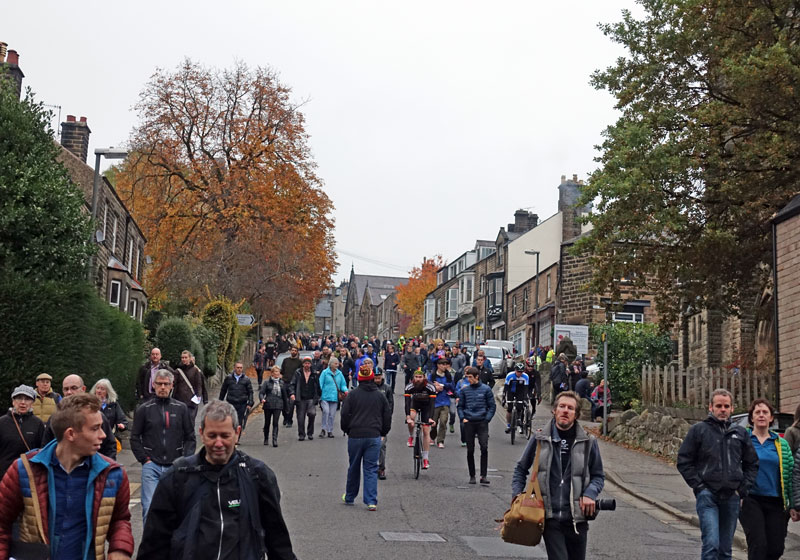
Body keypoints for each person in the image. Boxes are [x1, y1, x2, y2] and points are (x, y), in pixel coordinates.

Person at [137, 400, 297, 559]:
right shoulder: (178, 477)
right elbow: (155, 544)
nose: (218, 443)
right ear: (202, 433)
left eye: (225, 436)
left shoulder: (257, 475)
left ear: (237, 433)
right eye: (212, 435)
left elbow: (277, 540)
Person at [0, 393, 134, 560]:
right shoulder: (25, 470)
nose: (104, 435)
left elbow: (120, 520)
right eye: (95, 428)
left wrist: (120, 548)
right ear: (70, 434)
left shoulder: (112, 474)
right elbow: (2, 523)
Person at [512, 391, 605, 560]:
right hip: (550, 518)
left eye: (570, 408)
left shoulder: (588, 442)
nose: (565, 411)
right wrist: (517, 497)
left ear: (576, 415)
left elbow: (598, 476)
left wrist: (590, 494)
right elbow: (520, 469)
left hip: (578, 521)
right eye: (562, 406)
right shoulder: (540, 438)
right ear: (554, 410)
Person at [677, 389, 759, 560]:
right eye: (719, 406)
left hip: (732, 497)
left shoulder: (741, 433)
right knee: (711, 545)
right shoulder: (699, 430)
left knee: (725, 550)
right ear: (711, 407)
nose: (723, 409)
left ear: (732, 409)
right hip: (708, 496)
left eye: (726, 406)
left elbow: (752, 463)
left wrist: (742, 489)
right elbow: (684, 460)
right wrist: (699, 486)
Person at [130, 369, 196, 522]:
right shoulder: (144, 409)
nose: (163, 387)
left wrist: (185, 460)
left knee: (176, 509)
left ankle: (173, 543)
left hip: (175, 466)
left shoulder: (181, 409)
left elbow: (190, 437)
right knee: (149, 508)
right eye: (159, 384)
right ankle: (150, 545)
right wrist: (145, 459)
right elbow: (134, 437)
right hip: (151, 466)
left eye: (166, 384)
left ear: (172, 385)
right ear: (154, 385)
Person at [738, 398, 793, 560]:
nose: (761, 415)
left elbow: (789, 473)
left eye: (765, 412)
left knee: (776, 548)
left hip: (776, 501)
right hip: (750, 499)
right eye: (757, 412)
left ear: (771, 418)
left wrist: (793, 504)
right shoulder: (743, 441)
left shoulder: (781, 444)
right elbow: (733, 468)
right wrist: (737, 492)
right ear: (751, 418)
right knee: (758, 544)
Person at [341, 363, 392, 511]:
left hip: (355, 434)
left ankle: (350, 496)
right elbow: (386, 415)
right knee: (371, 468)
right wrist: (383, 432)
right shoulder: (380, 396)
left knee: (354, 467)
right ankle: (371, 501)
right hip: (374, 435)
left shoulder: (353, 395)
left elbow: (345, 414)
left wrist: (347, 429)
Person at [42, 374, 118, 459]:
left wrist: (106, 469)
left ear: (83, 389)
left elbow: (110, 446)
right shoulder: (55, 418)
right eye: (66, 389)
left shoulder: (97, 416)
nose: (69, 392)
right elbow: (46, 447)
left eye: (74, 388)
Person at [457, 367, 496, 485]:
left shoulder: (486, 389)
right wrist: (462, 418)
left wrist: (487, 419)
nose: (468, 379)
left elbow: (492, 406)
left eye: (470, 377)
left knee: (484, 447)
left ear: (476, 377)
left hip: (482, 422)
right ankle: (472, 475)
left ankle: (483, 475)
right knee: (470, 450)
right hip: (469, 422)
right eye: (467, 377)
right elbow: (460, 406)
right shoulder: (465, 390)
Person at [0, 385, 44, 477]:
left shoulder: (38, 424)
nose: (23, 402)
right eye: (19, 398)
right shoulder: (2, 422)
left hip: (28, 475)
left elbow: (42, 451)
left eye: (27, 399)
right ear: (13, 401)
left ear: (32, 402)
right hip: (4, 475)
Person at [404, 370, 437, 470]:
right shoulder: (409, 386)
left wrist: (431, 418)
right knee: (412, 418)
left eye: (420, 377)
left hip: (426, 407)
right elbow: (407, 403)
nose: (418, 379)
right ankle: (411, 436)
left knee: (426, 431)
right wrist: (408, 417)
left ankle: (425, 458)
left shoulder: (430, 387)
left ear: (424, 378)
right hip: (415, 404)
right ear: (413, 378)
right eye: (416, 377)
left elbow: (432, 404)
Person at [289, 356, 321, 441]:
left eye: (308, 363)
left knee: (312, 414)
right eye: (305, 363)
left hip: (311, 397)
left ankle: (310, 433)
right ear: (303, 364)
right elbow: (292, 383)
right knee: (300, 417)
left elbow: (317, 386)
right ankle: (301, 434)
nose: (307, 365)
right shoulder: (298, 373)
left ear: (310, 364)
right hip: (301, 398)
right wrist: (292, 393)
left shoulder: (314, 374)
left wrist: (318, 397)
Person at [260, 366, 290, 447]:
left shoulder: (282, 383)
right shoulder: (267, 383)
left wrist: (287, 408)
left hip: (278, 404)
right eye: (275, 372)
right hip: (268, 404)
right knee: (267, 422)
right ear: (272, 373)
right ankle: (266, 438)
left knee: (275, 422)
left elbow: (284, 396)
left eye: (278, 372)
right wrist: (262, 399)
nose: (277, 373)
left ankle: (274, 439)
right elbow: (262, 392)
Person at [174, 350, 207, 423]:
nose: (184, 359)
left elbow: (199, 385)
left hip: (191, 402)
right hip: (179, 401)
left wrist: (198, 397)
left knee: (190, 423)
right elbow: (173, 383)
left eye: (186, 357)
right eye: (182, 358)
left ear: (190, 358)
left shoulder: (195, 371)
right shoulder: (178, 370)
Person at [429, 357, 455, 448]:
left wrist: (442, 386)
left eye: (446, 364)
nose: (445, 366)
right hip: (435, 402)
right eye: (443, 364)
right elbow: (427, 385)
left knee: (443, 421)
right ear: (438, 365)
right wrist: (435, 387)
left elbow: (452, 387)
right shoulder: (432, 376)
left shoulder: (448, 376)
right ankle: (432, 437)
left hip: (445, 402)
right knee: (434, 422)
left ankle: (440, 440)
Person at [319, 357, 348, 439]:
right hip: (325, 396)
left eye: (338, 364)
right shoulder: (325, 373)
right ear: (331, 364)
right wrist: (321, 393)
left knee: (332, 415)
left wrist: (345, 391)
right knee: (326, 411)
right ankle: (323, 429)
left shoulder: (340, 373)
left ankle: (330, 430)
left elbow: (343, 384)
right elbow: (320, 383)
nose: (337, 365)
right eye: (335, 363)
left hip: (335, 397)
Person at [219, 362, 254, 427]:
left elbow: (250, 392)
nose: (239, 369)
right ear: (234, 368)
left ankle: (237, 436)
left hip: (242, 404)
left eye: (241, 368)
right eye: (238, 368)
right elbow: (223, 390)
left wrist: (250, 403)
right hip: (231, 403)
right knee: (230, 421)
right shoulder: (228, 378)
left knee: (239, 422)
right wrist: (220, 401)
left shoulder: (246, 380)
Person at [374, 368, 394, 480]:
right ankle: (372, 467)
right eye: (375, 377)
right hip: (371, 420)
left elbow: (390, 405)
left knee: (381, 445)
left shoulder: (387, 388)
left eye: (378, 377)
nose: (377, 380)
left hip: (382, 421)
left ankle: (381, 468)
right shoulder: (369, 388)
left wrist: (388, 418)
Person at [504, 362, 530, 434]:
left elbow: (525, 389)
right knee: (509, 409)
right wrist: (504, 397)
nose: (519, 373)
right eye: (518, 371)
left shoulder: (525, 376)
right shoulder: (510, 375)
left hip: (520, 392)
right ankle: (509, 425)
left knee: (520, 407)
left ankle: (518, 419)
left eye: (521, 372)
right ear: (515, 370)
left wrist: (525, 398)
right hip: (511, 392)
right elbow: (506, 388)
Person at [280, 346, 303, 427]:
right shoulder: (285, 360)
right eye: (292, 350)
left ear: (297, 352)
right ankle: (285, 417)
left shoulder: (299, 362)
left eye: (295, 351)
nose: (293, 352)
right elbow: (282, 371)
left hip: (293, 385)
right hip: (285, 382)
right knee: (283, 402)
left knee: (291, 403)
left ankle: (289, 420)